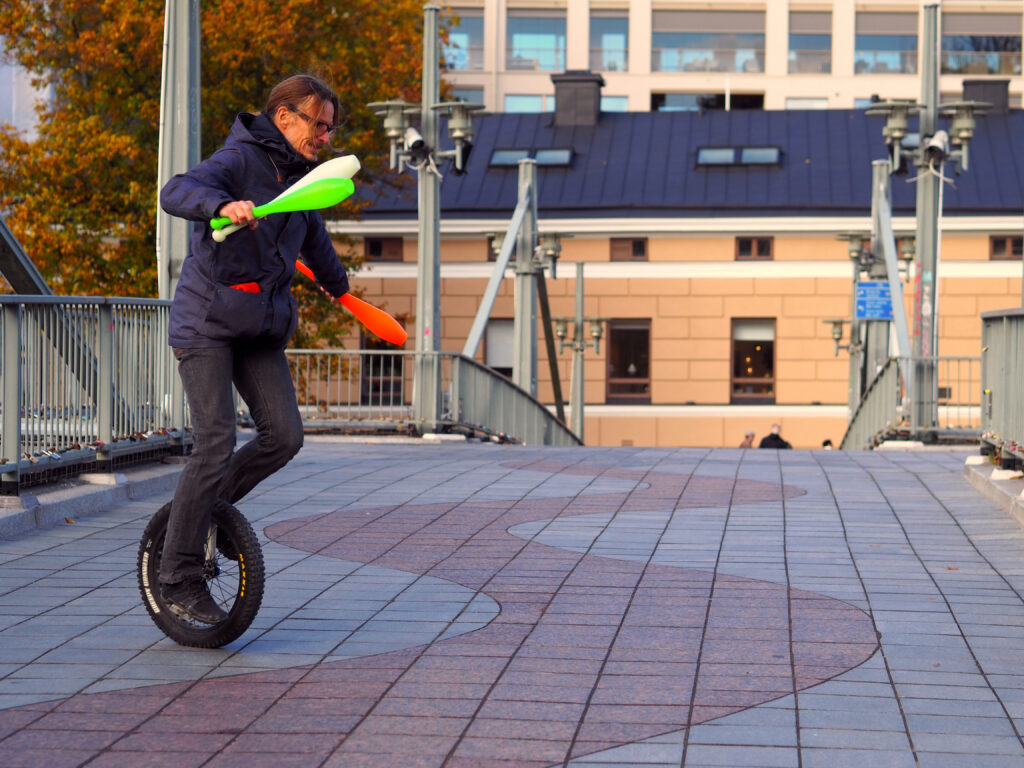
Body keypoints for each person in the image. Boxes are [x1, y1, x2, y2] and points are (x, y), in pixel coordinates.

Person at [157, 74, 350, 623]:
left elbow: (315, 241)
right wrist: (222, 203)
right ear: (284, 116)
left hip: (260, 329)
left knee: (285, 437)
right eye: (319, 124)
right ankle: (178, 574)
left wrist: (343, 292)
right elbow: (176, 191)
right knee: (215, 441)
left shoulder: (302, 179)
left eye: (331, 129)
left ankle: (203, 516)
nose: (325, 137)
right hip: (208, 322)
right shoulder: (238, 159)